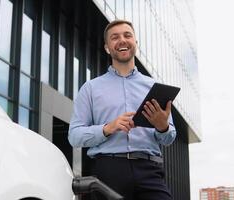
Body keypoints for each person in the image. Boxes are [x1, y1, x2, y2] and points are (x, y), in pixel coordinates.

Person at [68, 19, 176, 200]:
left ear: (135, 43)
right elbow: (74, 136)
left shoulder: (154, 88)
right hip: (108, 171)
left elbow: (169, 138)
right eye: (115, 37)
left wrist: (162, 126)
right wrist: (107, 128)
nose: (122, 40)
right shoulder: (90, 88)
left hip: (150, 170)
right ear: (107, 47)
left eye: (127, 35)